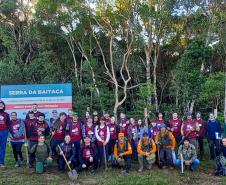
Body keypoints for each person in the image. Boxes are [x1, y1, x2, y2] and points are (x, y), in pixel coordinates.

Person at [0, 100, 10, 167]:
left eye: (2, 104)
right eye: (0, 104)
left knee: (3, 148)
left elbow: (8, 124)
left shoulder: (6, 114)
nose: (1, 105)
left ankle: (1, 162)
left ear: (4, 106)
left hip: (4, 132)